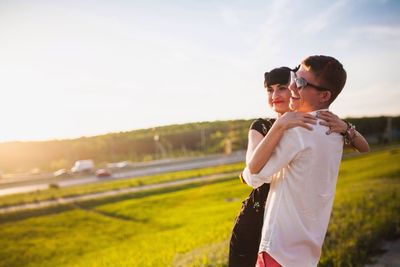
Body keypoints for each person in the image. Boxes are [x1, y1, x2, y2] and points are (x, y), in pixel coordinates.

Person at [240, 56, 369, 267]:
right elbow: (364, 147)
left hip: (279, 251)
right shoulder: (335, 128)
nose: (291, 86)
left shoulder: (297, 130)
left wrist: (280, 125)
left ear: (324, 95)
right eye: (294, 78)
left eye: (299, 83)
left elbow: (252, 176)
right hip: (308, 252)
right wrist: (347, 129)